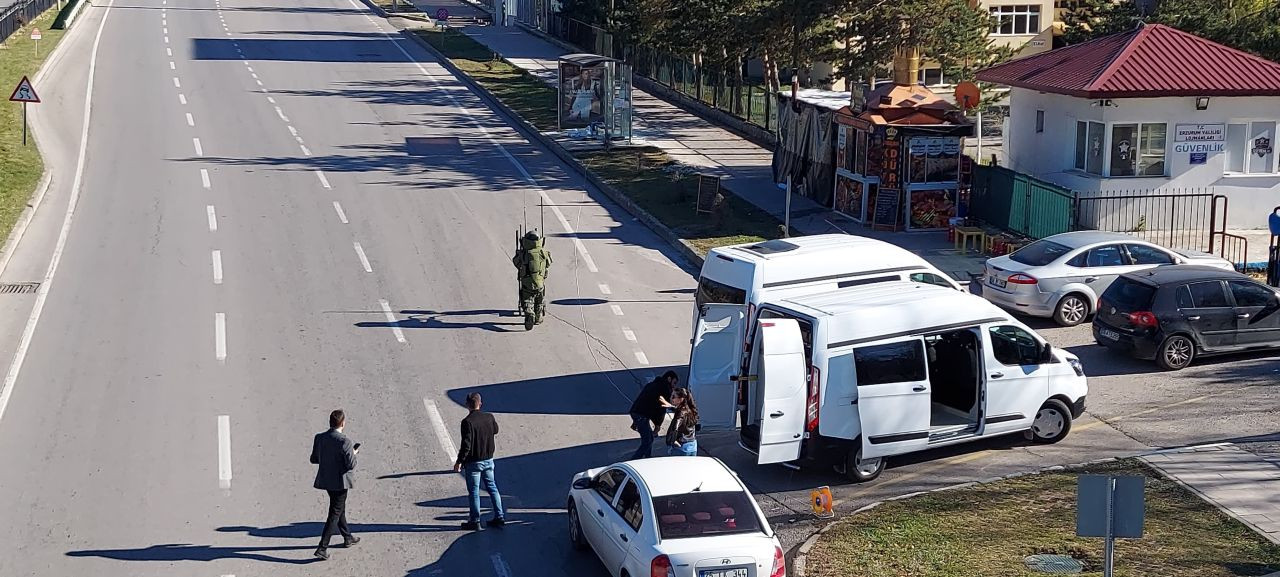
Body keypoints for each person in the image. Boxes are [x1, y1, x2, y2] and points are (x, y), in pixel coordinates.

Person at [311, 410, 360, 560]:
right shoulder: (344, 442)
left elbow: (314, 459)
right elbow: (351, 464)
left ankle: (347, 537)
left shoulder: (319, 438)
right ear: (343, 423)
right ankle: (322, 547)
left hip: (326, 481)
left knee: (339, 509)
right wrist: (353, 453)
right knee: (335, 513)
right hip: (340, 482)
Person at [453, 393, 505, 530]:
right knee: (492, 488)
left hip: (474, 463)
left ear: (467, 405)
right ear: (480, 404)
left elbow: (466, 445)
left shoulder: (467, 422)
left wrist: (459, 461)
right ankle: (500, 516)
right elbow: (496, 430)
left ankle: (475, 520)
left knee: (474, 492)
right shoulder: (489, 417)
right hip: (488, 460)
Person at [628, 370, 678, 460]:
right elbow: (661, 410)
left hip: (637, 413)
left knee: (649, 438)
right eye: (674, 383)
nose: (674, 386)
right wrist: (658, 425)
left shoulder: (653, 384)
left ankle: (648, 458)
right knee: (647, 441)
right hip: (641, 416)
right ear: (669, 379)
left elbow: (645, 401)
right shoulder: (664, 389)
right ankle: (634, 461)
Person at [512, 231, 552, 326]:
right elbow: (548, 263)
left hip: (527, 282)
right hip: (540, 283)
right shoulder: (544, 252)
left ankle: (529, 313)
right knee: (539, 300)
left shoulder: (524, 253)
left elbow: (516, 263)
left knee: (527, 299)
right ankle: (538, 318)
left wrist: (518, 253)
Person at [665, 387, 699, 456]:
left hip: (682, 446)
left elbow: (675, 428)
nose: (671, 398)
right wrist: (671, 407)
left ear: (681, 399)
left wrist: (672, 440)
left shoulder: (680, 413)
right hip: (692, 445)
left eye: (674, 396)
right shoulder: (691, 409)